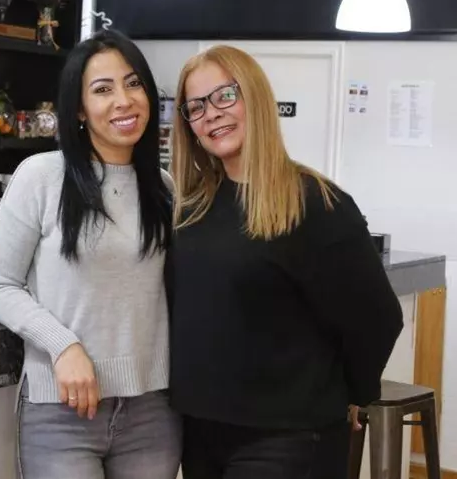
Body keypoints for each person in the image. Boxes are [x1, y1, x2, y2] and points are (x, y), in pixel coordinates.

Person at [166, 45, 404, 479]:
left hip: (289, 437)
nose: (211, 114)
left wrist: (355, 392)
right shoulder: (192, 208)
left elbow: (378, 317)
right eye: (195, 107)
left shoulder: (316, 203)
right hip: (200, 432)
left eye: (225, 96)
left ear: (255, 97)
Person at [0, 29, 181, 479]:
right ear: (78, 109)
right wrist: (63, 345)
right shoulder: (41, 176)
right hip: (62, 409)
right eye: (103, 90)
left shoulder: (163, 187)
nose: (124, 101)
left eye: (133, 84)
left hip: (151, 411)